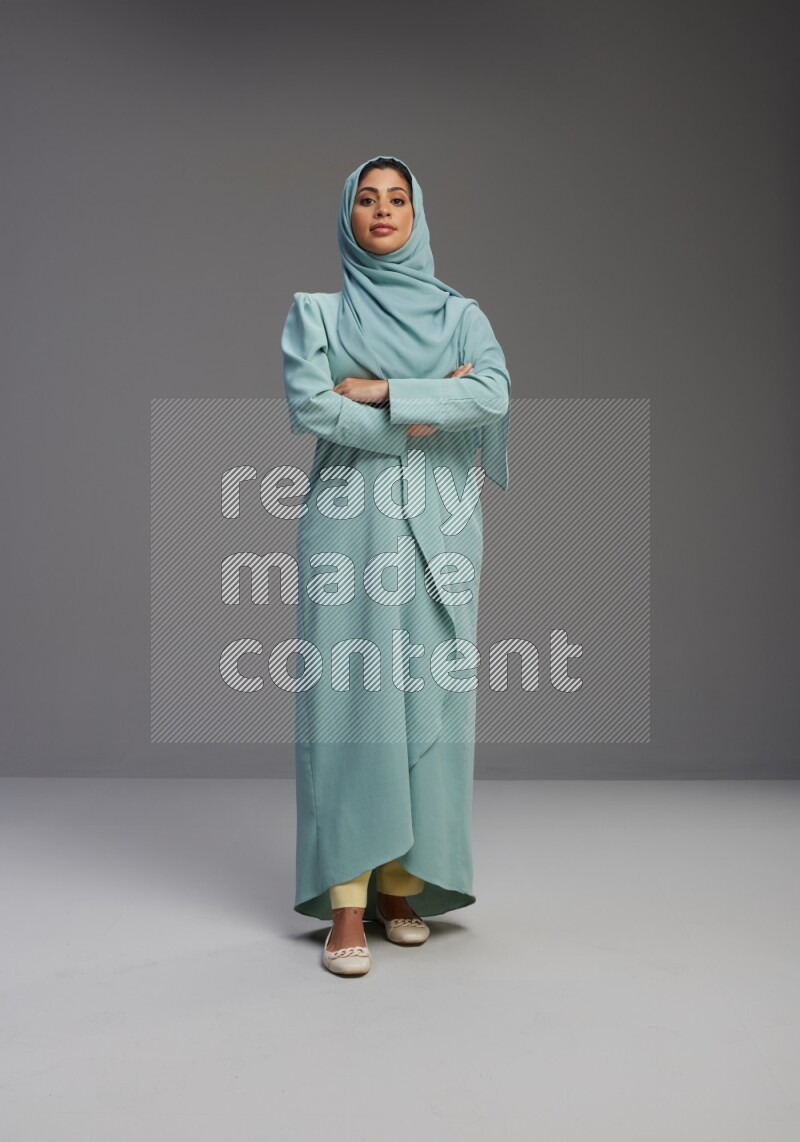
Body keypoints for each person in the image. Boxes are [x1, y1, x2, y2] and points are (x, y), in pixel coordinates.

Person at [281, 154, 511, 976]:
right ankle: (347, 902)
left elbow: (492, 394)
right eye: (368, 200)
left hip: (442, 528)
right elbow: (312, 405)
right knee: (350, 702)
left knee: (429, 700)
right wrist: (429, 404)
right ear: (349, 215)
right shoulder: (316, 312)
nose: (382, 211)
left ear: (417, 215)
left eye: (397, 200)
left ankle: (402, 885)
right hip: (350, 527)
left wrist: (384, 392)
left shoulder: (461, 315)